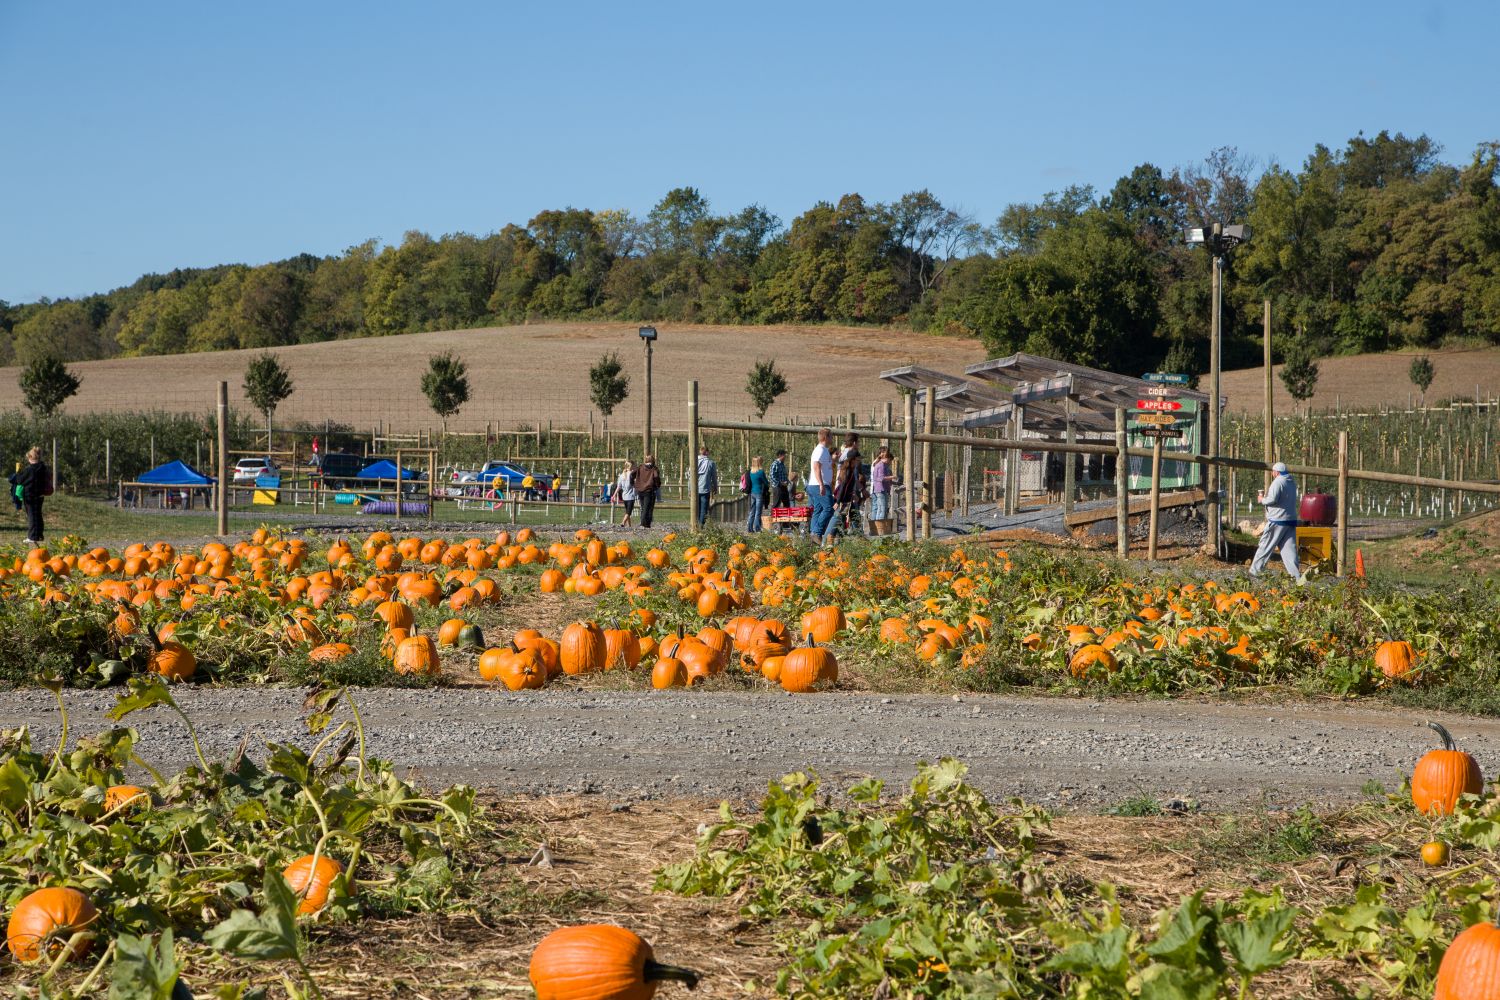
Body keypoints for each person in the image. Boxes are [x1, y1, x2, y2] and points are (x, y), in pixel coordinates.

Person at [1251, 461, 1304, 583]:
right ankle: (1296, 578)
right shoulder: (1291, 482)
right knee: (1289, 551)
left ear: (1276, 472)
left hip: (1277, 520)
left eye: (1273, 471)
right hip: (1290, 521)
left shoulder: (1278, 482)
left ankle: (1255, 571)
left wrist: (1262, 499)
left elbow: (1273, 499)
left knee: (1266, 545)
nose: (1272, 473)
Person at [10, 447, 50, 544]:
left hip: (30, 496)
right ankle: (39, 535)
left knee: (32, 516)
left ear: (31, 458)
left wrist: (18, 473)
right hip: (40, 495)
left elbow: (19, 480)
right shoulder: (43, 468)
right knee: (38, 515)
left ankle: (32, 536)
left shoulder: (30, 470)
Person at [833, 432, 864, 538]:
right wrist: (856, 490)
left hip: (844, 490)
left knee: (847, 513)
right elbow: (850, 479)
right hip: (846, 492)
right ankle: (856, 534)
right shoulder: (851, 456)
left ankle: (846, 534)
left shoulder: (844, 453)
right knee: (850, 513)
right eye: (858, 442)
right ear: (854, 442)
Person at [807, 428, 835, 543]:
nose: (832, 439)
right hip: (819, 485)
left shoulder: (824, 450)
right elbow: (816, 467)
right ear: (825, 437)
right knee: (829, 508)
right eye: (831, 436)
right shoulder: (820, 450)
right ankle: (817, 532)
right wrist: (821, 484)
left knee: (818, 509)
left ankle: (813, 535)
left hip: (818, 484)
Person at [869, 446, 895, 536]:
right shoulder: (880, 465)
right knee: (881, 509)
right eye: (889, 460)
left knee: (879, 509)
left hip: (882, 489)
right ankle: (879, 530)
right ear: (885, 457)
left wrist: (890, 481)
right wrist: (892, 477)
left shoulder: (883, 465)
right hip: (880, 489)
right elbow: (880, 478)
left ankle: (876, 530)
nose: (890, 462)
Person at [632, 455, 662, 529]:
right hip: (649, 490)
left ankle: (644, 523)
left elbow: (631, 474)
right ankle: (645, 524)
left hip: (640, 490)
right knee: (648, 507)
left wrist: (633, 483)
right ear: (653, 461)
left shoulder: (640, 467)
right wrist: (657, 485)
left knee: (643, 507)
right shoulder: (653, 468)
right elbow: (656, 476)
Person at [745, 456, 768, 533]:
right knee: (758, 512)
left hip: (752, 493)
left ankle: (749, 528)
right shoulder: (760, 472)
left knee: (752, 511)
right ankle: (757, 528)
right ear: (759, 463)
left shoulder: (751, 472)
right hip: (759, 493)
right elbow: (766, 482)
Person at [696, 446, 718, 525]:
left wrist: (689, 489)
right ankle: (700, 526)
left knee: (696, 509)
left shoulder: (694, 462)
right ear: (707, 452)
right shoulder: (711, 463)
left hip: (695, 489)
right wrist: (715, 487)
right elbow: (714, 477)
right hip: (705, 489)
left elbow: (689, 477)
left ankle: (696, 525)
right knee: (704, 510)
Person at [615, 460, 638, 528]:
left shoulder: (621, 475)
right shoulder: (633, 475)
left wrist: (614, 495)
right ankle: (623, 522)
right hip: (631, 496)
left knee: (627, 512)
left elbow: (618, 487)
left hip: (624, 496)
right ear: (631, 466)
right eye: (634, 465)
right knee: (628, 512)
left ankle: (629, 526)